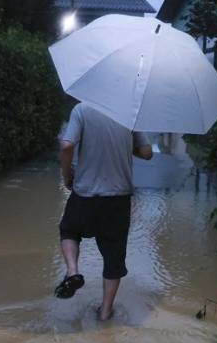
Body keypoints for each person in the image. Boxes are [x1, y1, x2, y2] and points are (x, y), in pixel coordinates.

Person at [54, 102, 153, 321]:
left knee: (69, 231)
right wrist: (125, 145)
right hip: (118, 199)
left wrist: (66, 175)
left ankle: (73, 272)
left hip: (85, 193)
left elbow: (67, 146)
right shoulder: (130, 112)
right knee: (114, 257)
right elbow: (147, 153)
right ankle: (105, 313)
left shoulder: (81, 109)